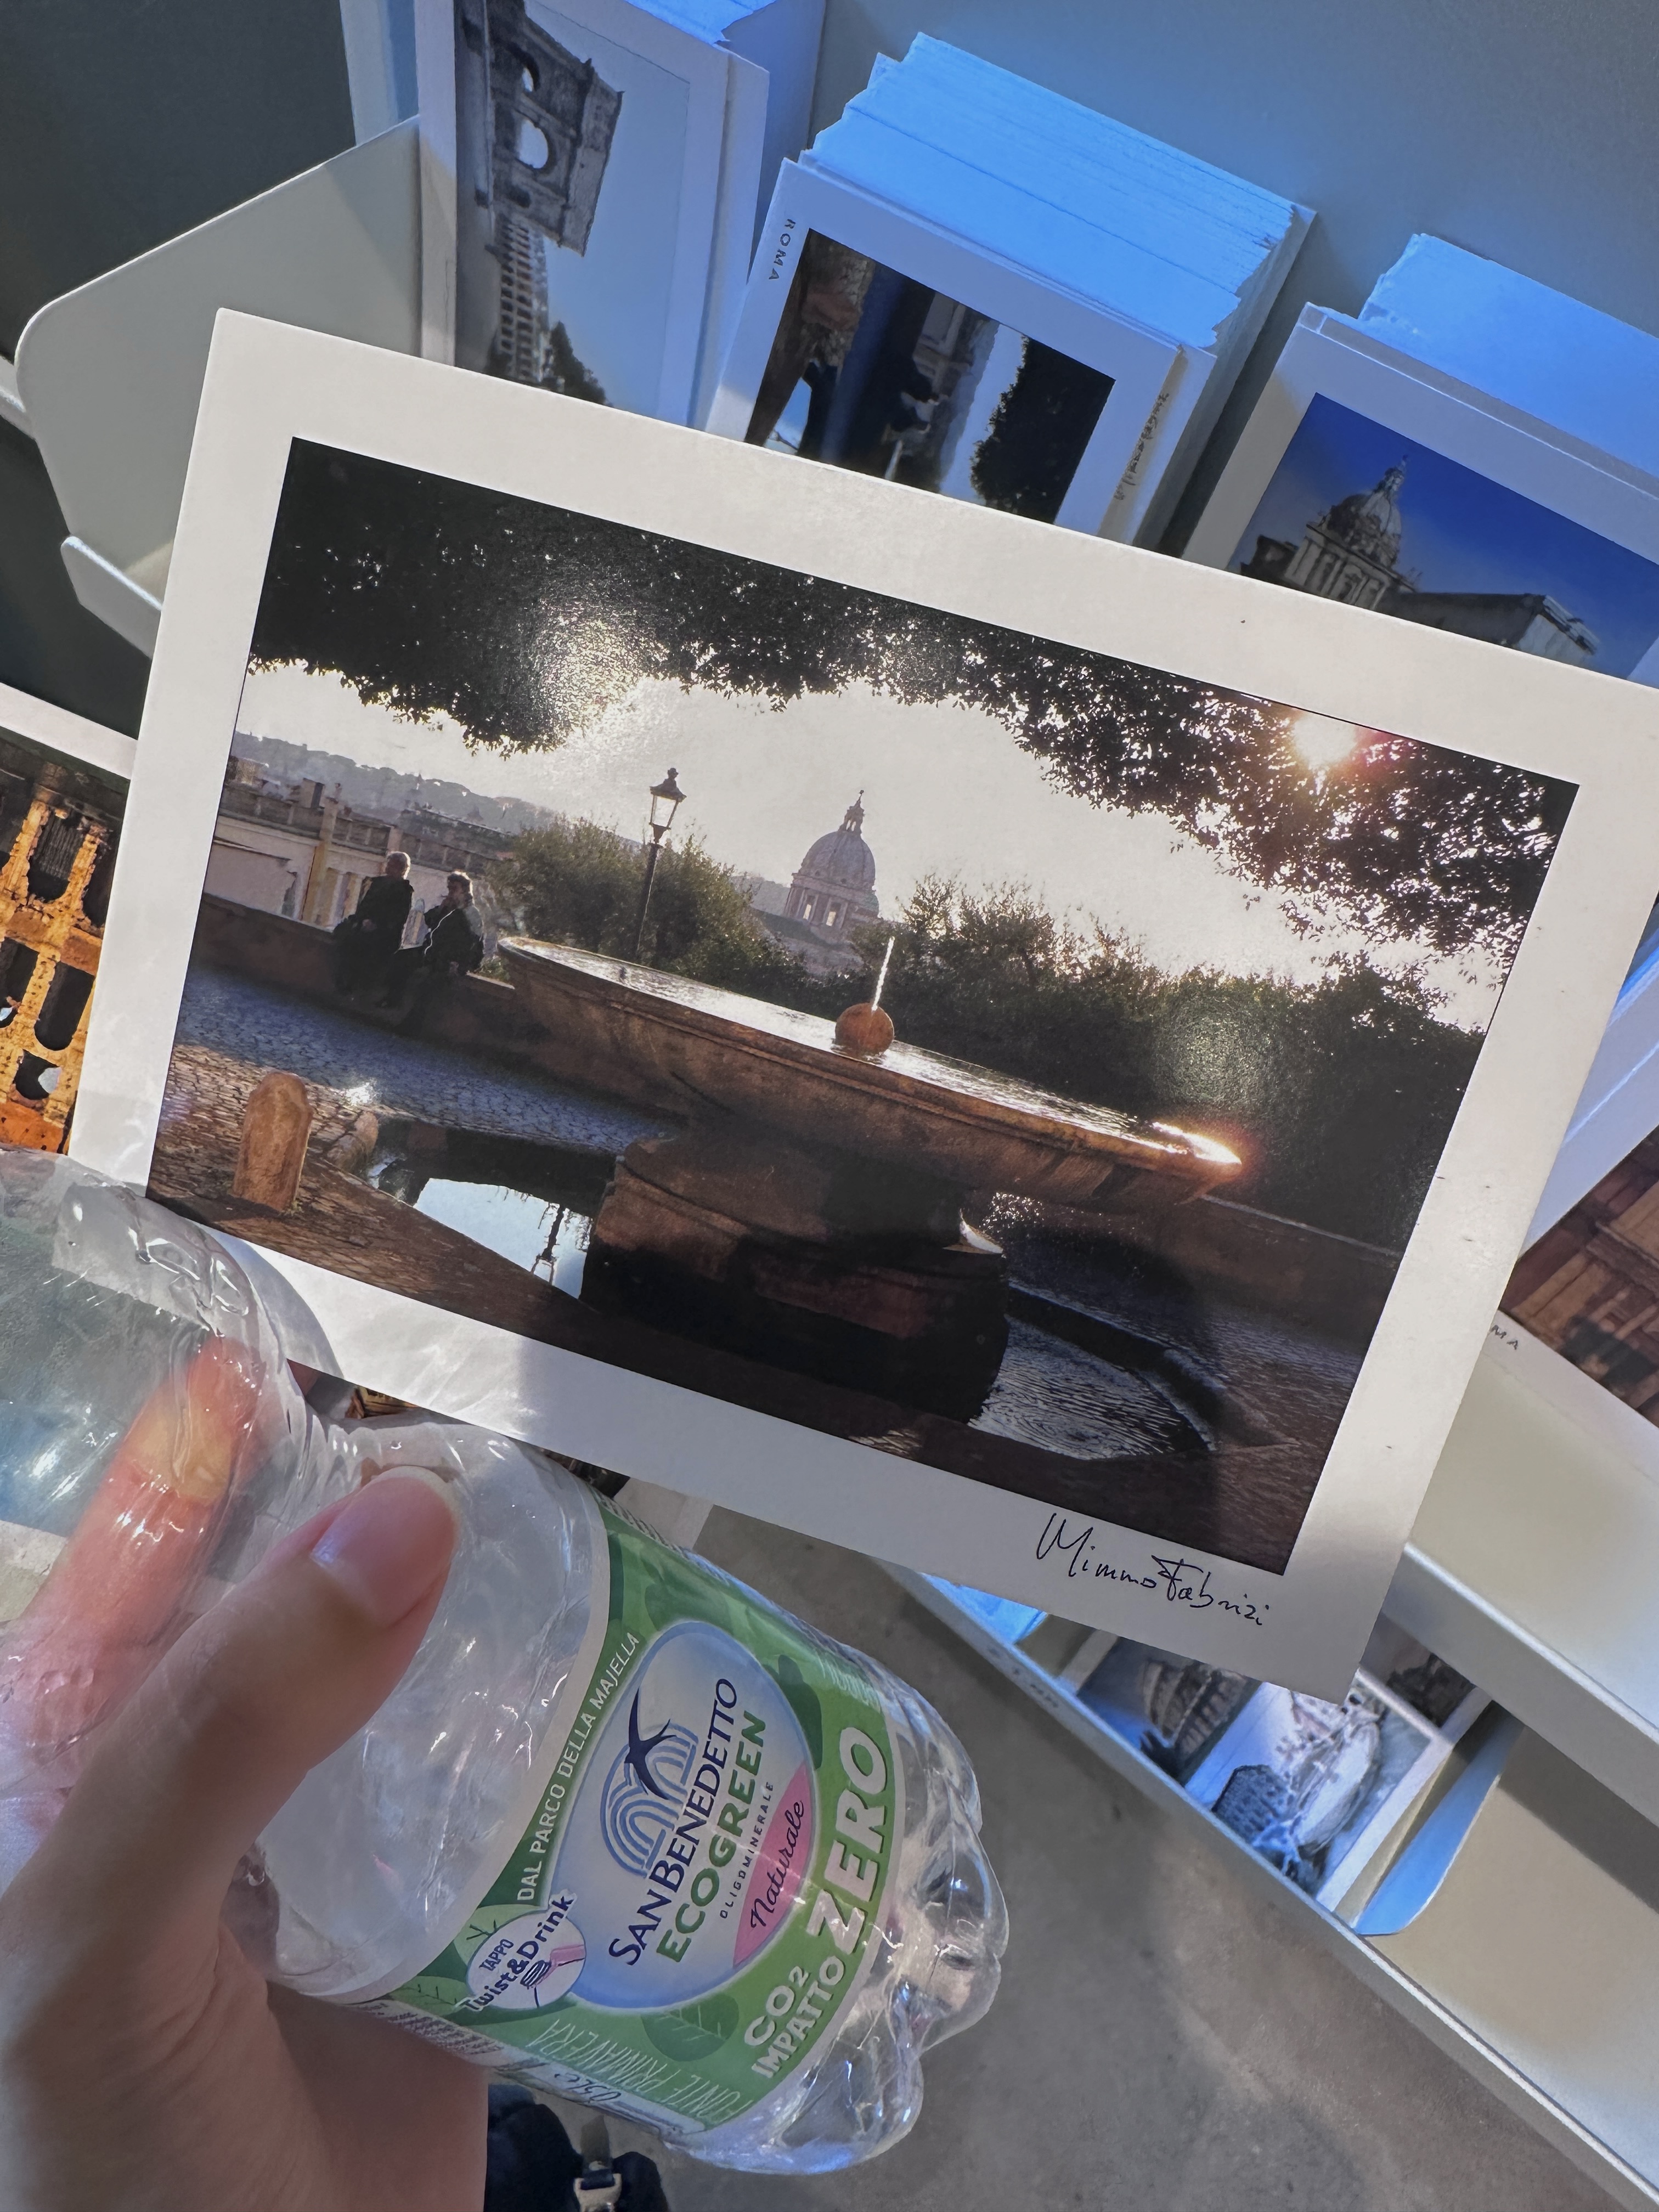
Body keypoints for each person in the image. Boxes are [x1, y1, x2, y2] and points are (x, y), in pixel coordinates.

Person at [382, 871, 483, 1039]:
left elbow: (473, 943)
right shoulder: (449, 907)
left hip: (451, 960)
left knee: (431, 984)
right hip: (433, 952)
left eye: (454, 889)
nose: (450, 893)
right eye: (449, 888)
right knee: (401, 958)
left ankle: (412, 1026)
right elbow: (429, 920)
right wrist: (443, 909)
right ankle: (393, 999)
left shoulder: (471, 914)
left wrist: (459, 963)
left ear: (465, 891)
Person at [332, 850, 414, 998]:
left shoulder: (405, 891)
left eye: (392, 866)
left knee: (366, 950)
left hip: (385, 934)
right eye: (389, 864)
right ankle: (343, 984)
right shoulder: (378, 883)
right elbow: (364, 907)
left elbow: (398, 918)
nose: (388, 868)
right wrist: (362, 920)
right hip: (365, 926)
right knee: (345, 939)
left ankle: (353, 988)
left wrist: (377, 925)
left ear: (402, 869)